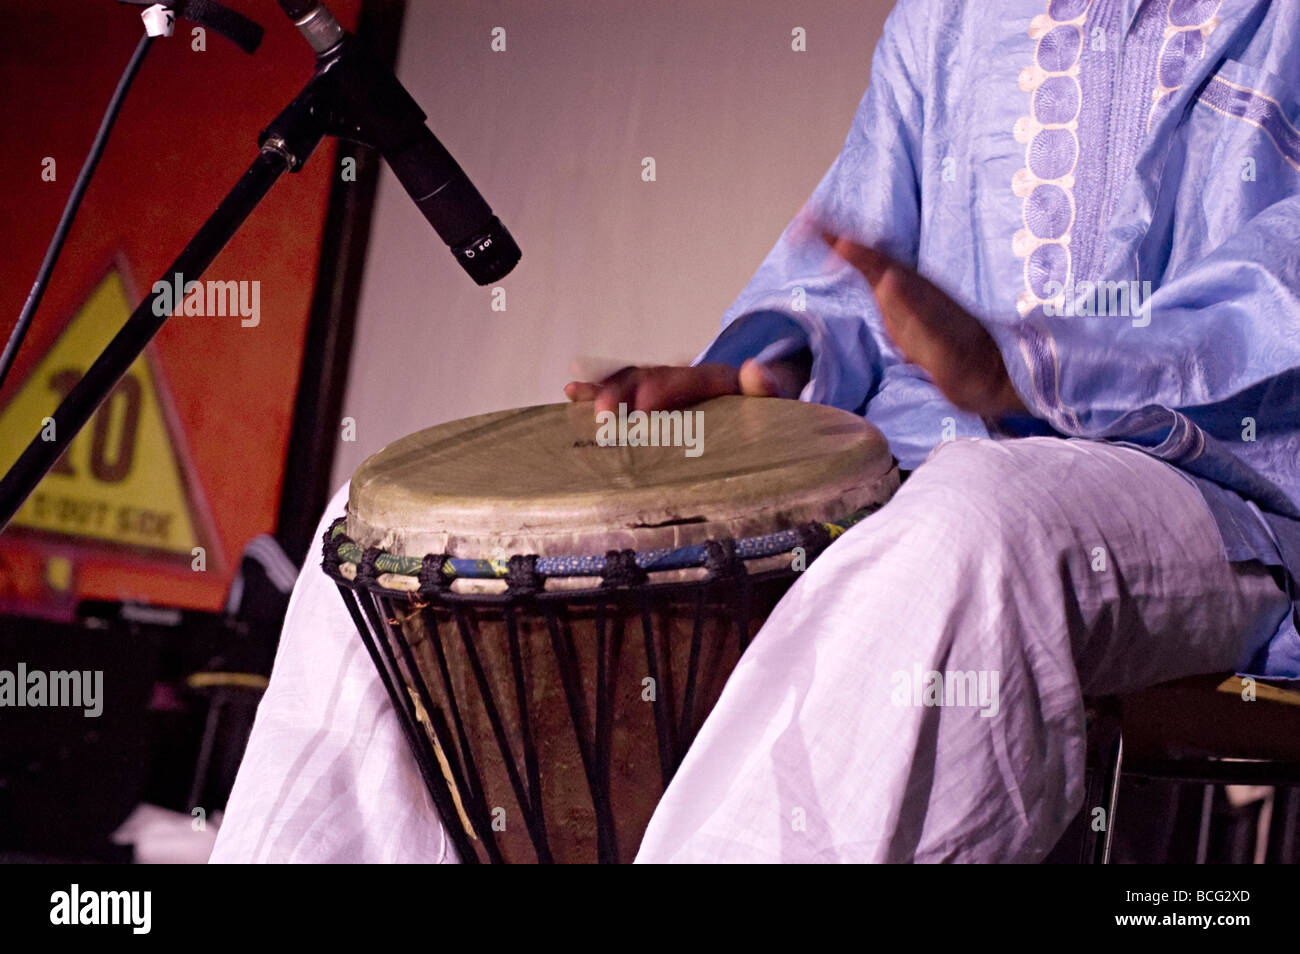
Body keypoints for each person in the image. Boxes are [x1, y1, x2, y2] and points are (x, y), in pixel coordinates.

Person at [212, 0, 1300, 862]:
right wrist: (750, 374)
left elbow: (1274, 297)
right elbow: (853, 273)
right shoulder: (953, 16)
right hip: (904, 481)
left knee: (971, 526)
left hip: (1209, 490)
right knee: (389, 528)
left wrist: (1025, 365)